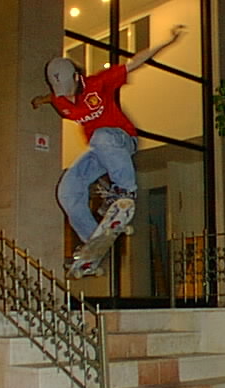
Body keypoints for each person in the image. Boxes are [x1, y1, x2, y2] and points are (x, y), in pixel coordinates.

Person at [31, 25, 186, 252]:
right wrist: (39, 100)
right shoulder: (59, 98)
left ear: (77, 76)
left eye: (70, 89)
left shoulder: (99, 83)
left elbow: (135, 62)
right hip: (101, 152)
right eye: (62, 93)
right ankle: (93, 242)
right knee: (67, 190)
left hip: (122, 140)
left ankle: (125, 190)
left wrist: (168, 41)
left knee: (101, 136)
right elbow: (50, 98)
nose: (68, 97)